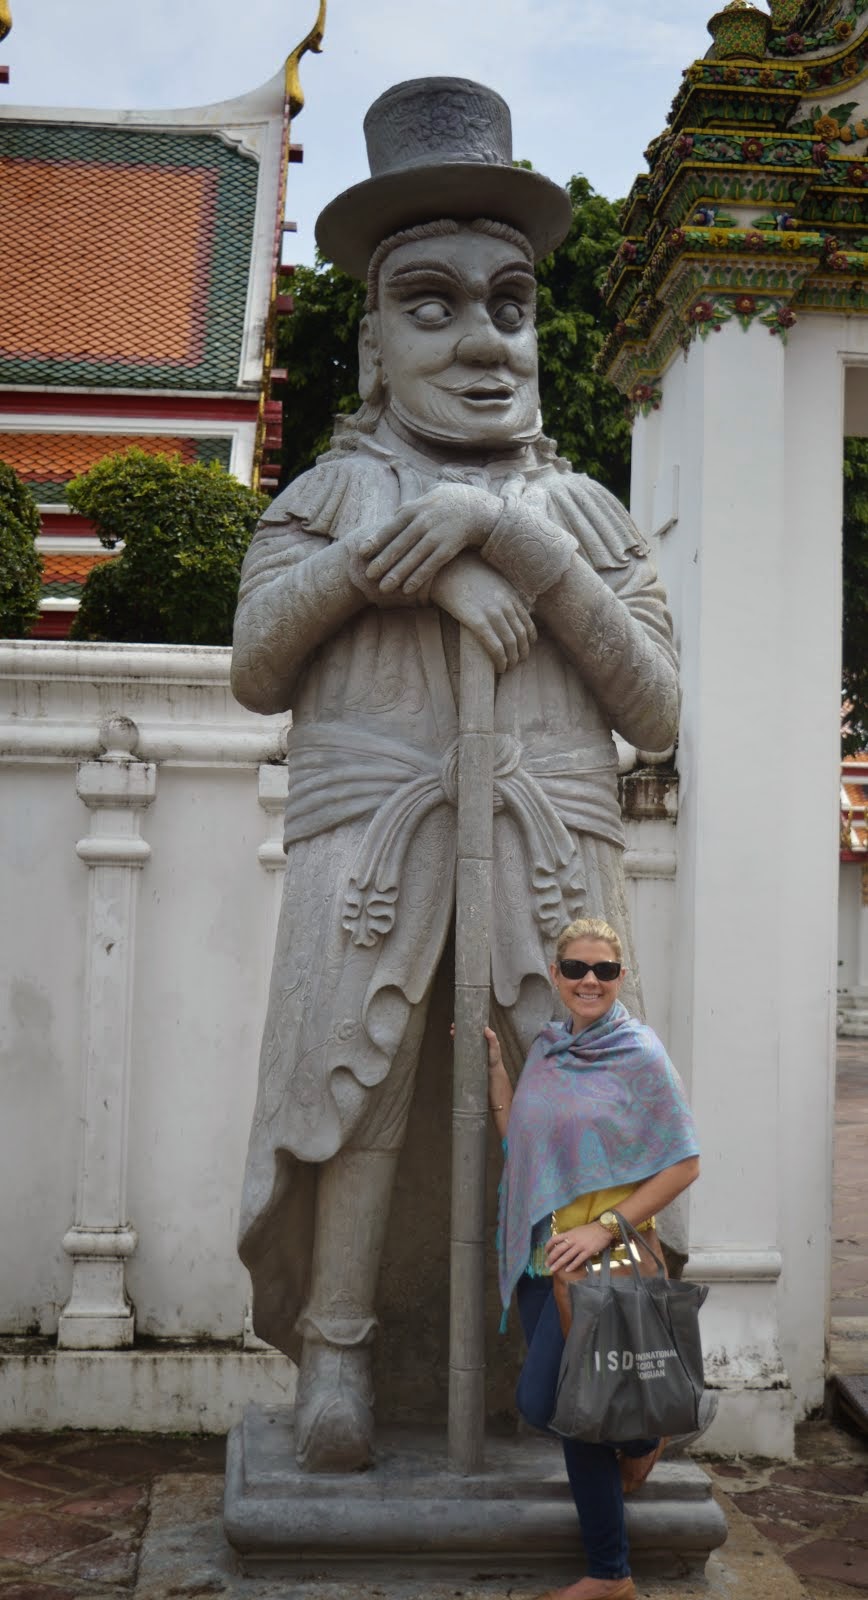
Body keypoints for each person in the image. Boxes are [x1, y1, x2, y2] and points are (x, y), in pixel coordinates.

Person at [230, 78, 680, 1473]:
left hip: (551, 848)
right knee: (354, 1091)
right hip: (373, 844)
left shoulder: (581, 511)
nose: (484, 340)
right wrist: (388, 565)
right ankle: (343, 1351)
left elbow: (655, 710)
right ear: (370, 345)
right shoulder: (330, 493)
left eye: (513, 304)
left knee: (564, 1102)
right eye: (432, 305)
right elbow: (257, 660)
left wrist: (513, 544)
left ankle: (566, 1360)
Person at [487, 915, 700, 1600]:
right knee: (580, 1408)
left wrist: (605, 1227)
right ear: (556, 975)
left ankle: (614, 1562)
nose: (589, 981)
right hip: (540, 1263)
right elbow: (522, 1137)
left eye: (603, 971)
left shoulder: (639, 1053)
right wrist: (496, 1070)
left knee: (555, 1402)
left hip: (598, 1266)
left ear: (619, 978)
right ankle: (634, 1462)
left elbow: (684, 1162)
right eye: (576, 968)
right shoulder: (549, 1048)